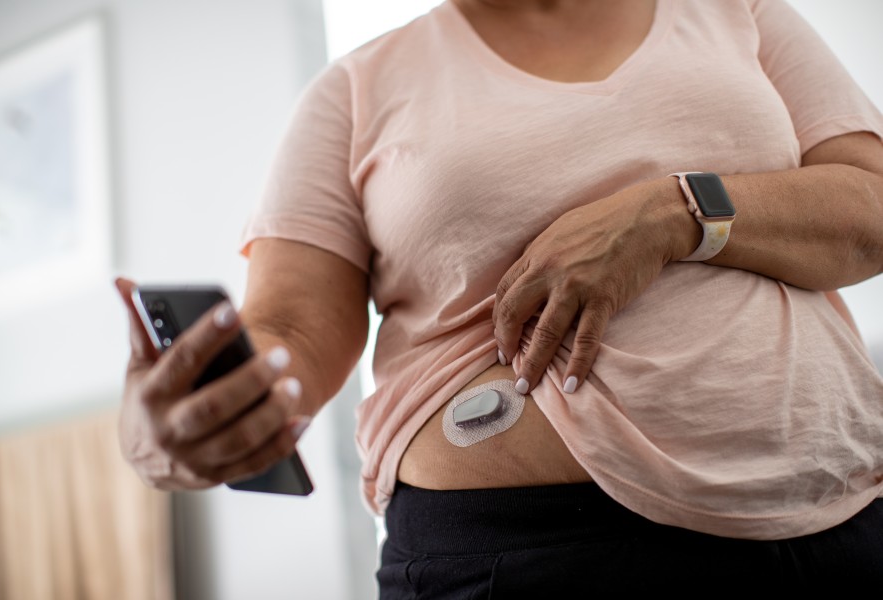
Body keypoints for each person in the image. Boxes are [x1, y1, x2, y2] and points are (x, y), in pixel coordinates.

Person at [117, 0, 883, 594]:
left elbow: (868, 209)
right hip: (520, 557)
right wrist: (187, 410)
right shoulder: (354, 91)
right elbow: (291, 326)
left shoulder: (734, 11)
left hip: (838, 524)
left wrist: (673, 213)